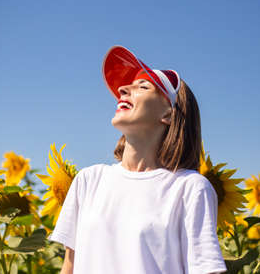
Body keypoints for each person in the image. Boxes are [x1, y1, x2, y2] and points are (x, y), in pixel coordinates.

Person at [48, 46, 227, 274]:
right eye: (126, 86)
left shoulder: (190, 188)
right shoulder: (88, 180)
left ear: (168, 114)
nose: (123, 89)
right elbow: (70, 267)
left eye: (143, 86)